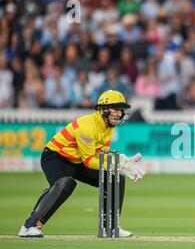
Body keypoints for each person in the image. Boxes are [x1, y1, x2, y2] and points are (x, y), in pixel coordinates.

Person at [18, 90, 145, 238]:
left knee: (113, 178)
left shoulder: (108, 126)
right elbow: (89, 161)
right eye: (116, 109)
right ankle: (29, 226)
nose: (119, 113)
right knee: (65, 184)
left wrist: (120, 160)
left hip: (76, 161)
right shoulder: (86, 127)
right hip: (55, 158)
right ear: (103, 110)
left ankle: (110, 228)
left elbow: (99, 155)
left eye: (121, 110)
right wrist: (117, 166)